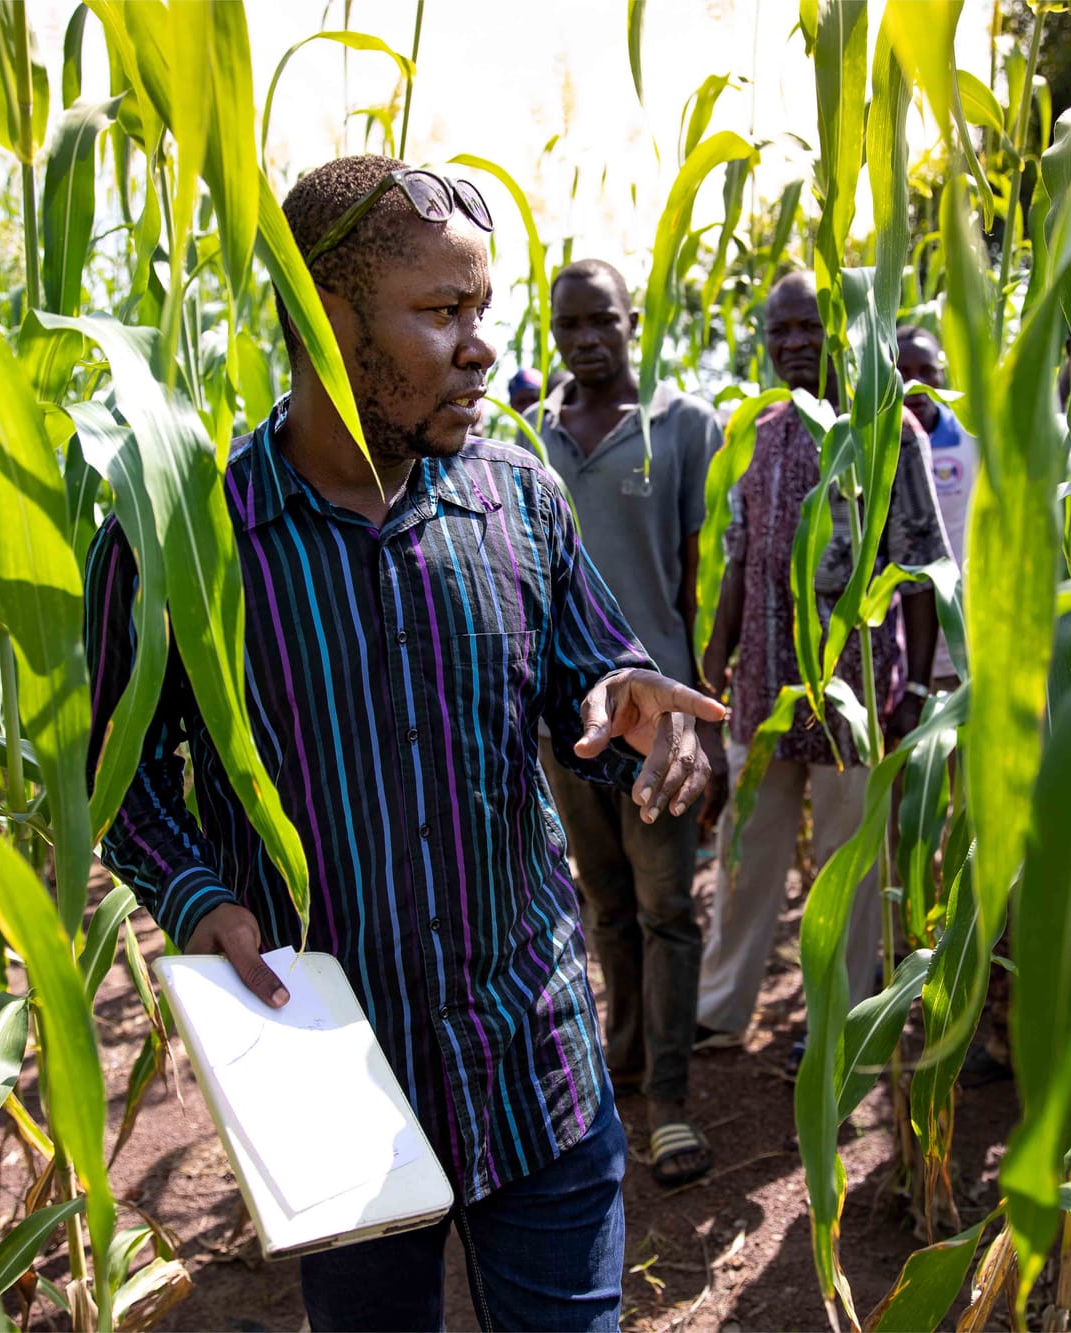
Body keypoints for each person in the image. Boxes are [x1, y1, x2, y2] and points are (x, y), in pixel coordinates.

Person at [83, 154, 725, 1333]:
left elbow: (597, 685)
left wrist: (639, 728)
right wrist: (195, 897)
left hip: (532, 1063)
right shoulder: (187, 543)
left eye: (480, 310)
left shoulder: (519, 502)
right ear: (323, 320)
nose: (480, 346)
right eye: (441, 313)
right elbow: (114, 777)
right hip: (329, 1072)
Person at [694, 271, 949, 1054]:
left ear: (843, 333)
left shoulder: (889, 430)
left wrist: (907, 698)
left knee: (850, 871)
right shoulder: (758, 432)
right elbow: (736, 558)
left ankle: (836, 1016)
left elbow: (921, 564)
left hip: (858, 692)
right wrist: (715, 661)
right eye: (782, 332)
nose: (795, 345)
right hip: (764, 685)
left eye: (811, 329)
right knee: (745, 858)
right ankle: (720, 1007)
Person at [530, 258, 725, 1187]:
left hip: (659, 725)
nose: (584, 340)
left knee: (667, 908)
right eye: (568, 326)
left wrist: (707, 722)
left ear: (633, 318)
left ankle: (673, 1104)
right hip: (573, 724)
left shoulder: (682, 429)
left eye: (601, 320)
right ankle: (625, 1056)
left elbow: (700, 584)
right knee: (605, 902)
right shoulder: (534, 436)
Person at [896, 325, 980, 690]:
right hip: (902, 653)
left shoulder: (972, 438)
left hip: (970, 638)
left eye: (926, 371)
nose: (915, 385)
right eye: (903, 373)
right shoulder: (875, 449)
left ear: (943, 372)